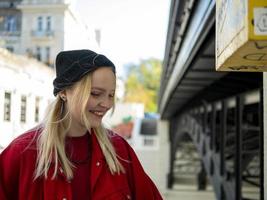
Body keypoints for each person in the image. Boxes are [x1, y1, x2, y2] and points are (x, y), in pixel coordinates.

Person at [0, 49, 163, 200]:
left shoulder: (119, 150)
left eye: (111, 95)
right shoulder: (23, 152)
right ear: (64, 92)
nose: (106, 104)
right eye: (96, 93)